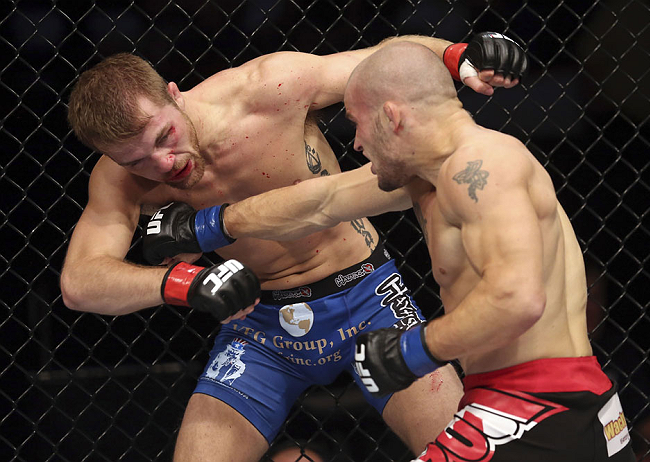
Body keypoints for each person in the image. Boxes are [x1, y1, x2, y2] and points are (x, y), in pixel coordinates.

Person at [149, 41, 636, 460]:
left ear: (392, 116)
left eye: (359, 124)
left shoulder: (480, 168)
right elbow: (318, 200)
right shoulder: (432, 175)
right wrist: (205, 226)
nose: (357, 143)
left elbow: (517, 299)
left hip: (535, 405)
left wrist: (413, 351)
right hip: (564, 403)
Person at [61, 32, 526, 461]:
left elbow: (385, 60)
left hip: (368, 299)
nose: (163, 163)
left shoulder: (266, 89)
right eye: (137, 159)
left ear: (175, 93)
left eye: (165, 136)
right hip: (261, 330)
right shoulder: (120, 180)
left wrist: (457, 55)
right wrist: (183, 282)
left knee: (469, 457)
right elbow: (80, 282)